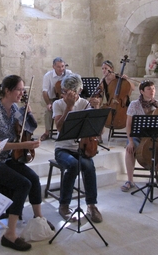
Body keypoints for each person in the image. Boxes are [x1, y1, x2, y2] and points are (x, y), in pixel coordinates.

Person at [0, 75, 53, 252]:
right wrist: (24, 145)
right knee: (23, 184)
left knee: (34, 178)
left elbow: (27, 128)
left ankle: (38, 219)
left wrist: (29, 115)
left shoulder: (14, 108)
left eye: (23, 89)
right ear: (7, 91)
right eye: (19, 89)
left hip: (7, 158)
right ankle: (10, 235)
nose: (22, 93)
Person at [53, 73, 103, 223]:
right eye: (64, 91)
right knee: (73, 165)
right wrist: (69, 107)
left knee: (88, 165)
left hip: (82, 147)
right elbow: (60, 129)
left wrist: (97, 109)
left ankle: (91, 205)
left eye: (69, 91)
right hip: (63, 148)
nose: (65, 94)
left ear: (78, 91)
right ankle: (64, 205)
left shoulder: (85, 104)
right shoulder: (58, 104)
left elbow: (99, 132)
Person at [121, 80, 158, 192]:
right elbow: (128, 124)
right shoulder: (134, 104)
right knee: (129, 149)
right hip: (138, 136)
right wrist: (130, 141)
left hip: (154, 137)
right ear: (142, 91)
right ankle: (130, 181)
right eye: (149, 89)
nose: (152, 91)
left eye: (153, 88)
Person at [41, 57, 72, 141]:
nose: (61, 69)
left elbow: (72, 87)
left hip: (65, 98)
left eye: (63, 66)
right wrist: (48, 103)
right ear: (53, 66)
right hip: (52, 98)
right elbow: (45, 91)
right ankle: (47, 132)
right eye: (58, 67)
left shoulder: (68, 73)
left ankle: (70, 131)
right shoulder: (48, 76)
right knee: (48, 111)